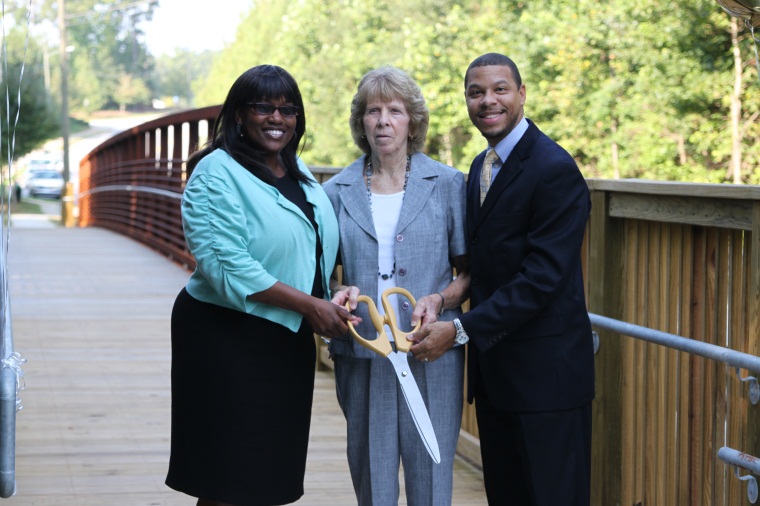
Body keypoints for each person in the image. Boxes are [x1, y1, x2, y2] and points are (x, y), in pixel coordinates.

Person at [165, 64, 357, 506]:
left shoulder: (297, 170)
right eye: (263, 108)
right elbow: (226, 265)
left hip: (284, 338)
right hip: (225, 337)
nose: (277, 118)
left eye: (288, 110)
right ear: (237, 115)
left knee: (270, 474)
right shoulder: (216, 172)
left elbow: (308, 244)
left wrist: (329, 292)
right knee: (227, 477)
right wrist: (310, 306)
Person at [409, 53, 595, 505]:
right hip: (497, 380)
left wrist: (456, 331)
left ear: (522, 94)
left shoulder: (554, 169)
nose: (487, 101)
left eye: (499, 89)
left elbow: (542, 279)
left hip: (547, 382)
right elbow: (483, 267)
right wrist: (442, 298)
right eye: (476, 92)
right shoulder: (480, 167)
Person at [324, 66, 469, 506]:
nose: (383, 120)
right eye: (373, 111)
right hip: (364, 349)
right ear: (361, 122)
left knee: (431, 475)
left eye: (395, 111)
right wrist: (337, 293)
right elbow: (323, 276)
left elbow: (469, 273)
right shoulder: (335, 191)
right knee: (373, 481)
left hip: (432, 349)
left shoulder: (448, 184)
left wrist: (440, 299)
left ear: (413, 122)